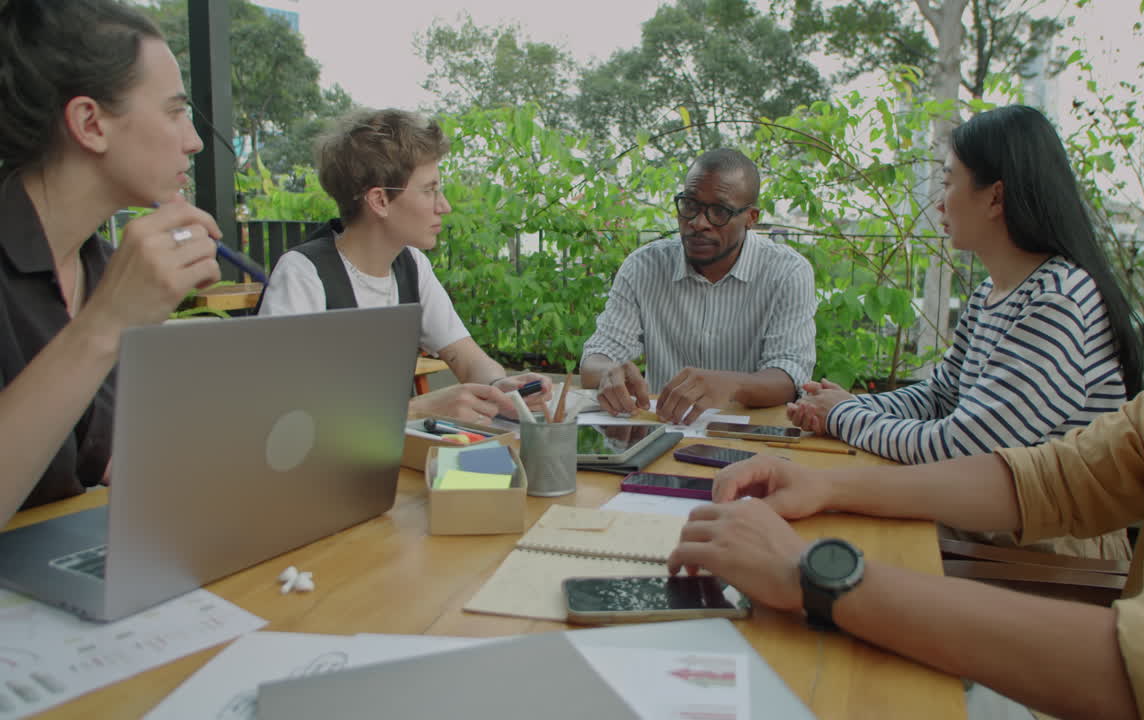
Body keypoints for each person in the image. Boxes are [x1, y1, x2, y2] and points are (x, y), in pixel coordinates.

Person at [667, 2, 1144, 718]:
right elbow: (1055, 475)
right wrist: (822, 485)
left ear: (995, 196)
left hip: (1044, 584)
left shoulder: (1059, 296)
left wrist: (815, 573)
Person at [788, 106, 1143, 467]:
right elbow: (940, 399)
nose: (940, 203)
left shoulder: (1058, 301)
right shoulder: (993, 294)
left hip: (1046, 523)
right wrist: (848, 404)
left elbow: (964, 447)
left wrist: (843, 415)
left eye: (947, 183)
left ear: (995, 197)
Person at [0, 0, 222, 527]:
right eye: (174, 111)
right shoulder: (116, 293)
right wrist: (107, 324)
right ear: (90, 123)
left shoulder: (103, 265)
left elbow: (95, 465)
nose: (193, 141)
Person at [256, 109, 551, 424]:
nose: (444, 206)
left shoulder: (411, 264)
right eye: (430, 190)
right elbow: (279, 409)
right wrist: (421, 410)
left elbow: (469, 360)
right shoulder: (304, 274)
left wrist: (499, 387)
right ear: (379, 200)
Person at [580, 149, 816, 424]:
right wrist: (609, 372)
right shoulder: (644, 267)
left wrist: (731, 386)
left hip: (750, 438)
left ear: (751, 217)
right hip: (662, 433)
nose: (698, 223)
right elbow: (595, 359)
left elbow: (789, 374)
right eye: (690, 206)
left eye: (719, 211)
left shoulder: (787, 272)